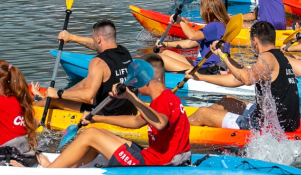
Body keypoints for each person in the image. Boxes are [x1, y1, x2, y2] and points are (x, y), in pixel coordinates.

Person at [38, 54, 192, 168]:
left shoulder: (164, 100)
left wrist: (131, 97)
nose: (135, 85)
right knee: (99, 133)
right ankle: (69, 169)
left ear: (147, 80)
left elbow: (159, 123)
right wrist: (97, 118)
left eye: (137, 81)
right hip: (160, 157)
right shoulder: (167, 97)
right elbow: (136, 121)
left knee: (91, 134)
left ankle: (50, 172)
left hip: (159, 164)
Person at [188, 21, 301, 133]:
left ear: (255, 41)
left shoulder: (266, 57)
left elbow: (247, 80)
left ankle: (176, 131)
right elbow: (237, 78)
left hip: (268, 126)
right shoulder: (278, 57)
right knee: (227, 101)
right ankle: (210, 121)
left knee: (202, 113)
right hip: (287, 122)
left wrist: (223, 56)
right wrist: (201, 77)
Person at [34, 19, 136, 119]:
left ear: (99, 38)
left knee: (54, 100)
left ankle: (31, 109)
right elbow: (96, 44)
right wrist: (71, 37)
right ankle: (47, 98)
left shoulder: (98, 62)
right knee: (86, 81)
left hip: (107, 114)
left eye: (94, 38)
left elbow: (88, 95)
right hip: (129, 111)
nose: (93, 42)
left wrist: (58, 93)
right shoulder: (124, 51)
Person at [157, 0, 231, 75]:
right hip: (202, 66)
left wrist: (180, 21)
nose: (200, 11)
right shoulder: (216, 26)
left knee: (159, 58)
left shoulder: (215, 26)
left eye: (201, 8)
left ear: (209, 10)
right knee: (165, 53)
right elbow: (189, 43)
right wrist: (165, 44)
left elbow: (192, 36)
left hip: (211, 69)